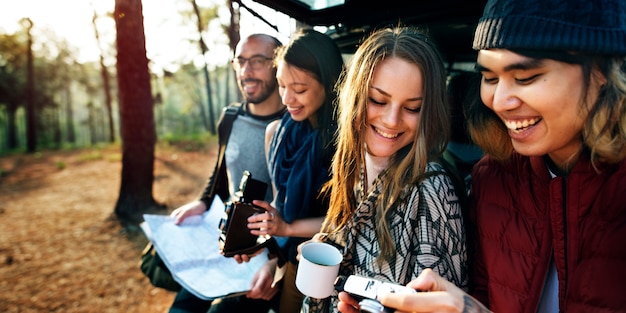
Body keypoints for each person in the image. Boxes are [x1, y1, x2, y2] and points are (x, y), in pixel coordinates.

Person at [360, 0, 626, 312]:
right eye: (489, 78)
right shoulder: (492, 179)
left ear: (602, 71)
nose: (499, 101)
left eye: (525, 77)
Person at [303, 26, 468, 313]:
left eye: (413, 108)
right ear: (354, 96)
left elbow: (443, 304)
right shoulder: (352, 167)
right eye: (378, 100)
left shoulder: (432, 190)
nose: (392, 120)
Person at [167, 33, 286, 313]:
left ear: (279, 65)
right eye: (240, 61)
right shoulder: (230, 118)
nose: (246, 71)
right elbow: (222, 173)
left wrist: (277, 262)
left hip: (265, 258)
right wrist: (203, 202)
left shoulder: (294, 126)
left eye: (257, 61)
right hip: (223, 246)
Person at [241, 28, 345, 313]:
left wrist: (286, 228)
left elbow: (346, 220)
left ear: (330, 83)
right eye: (282, 86)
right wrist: (256, 237)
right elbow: (280, 204)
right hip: (284, 253)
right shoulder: (275, 133)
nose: (287, 99)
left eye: (299, 89)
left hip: (328, 262)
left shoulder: (347, 144)